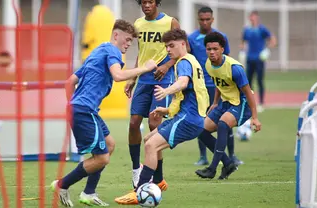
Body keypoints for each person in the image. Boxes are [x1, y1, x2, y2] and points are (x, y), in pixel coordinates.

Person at [50, 19, 157, 207]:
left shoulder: (98, 51)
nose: (128, 44)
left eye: (131, 41)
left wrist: (71, 106)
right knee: (102, 157)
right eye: (127, 39)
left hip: (83, 109)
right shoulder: (112, 51)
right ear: (116, 35)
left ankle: (89, 193)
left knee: (109, 144)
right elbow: (117, 76)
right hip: (84, 110)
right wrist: (145, 68)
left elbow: (70, 82)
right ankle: (62, 184)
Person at [115, 28, 209, 205]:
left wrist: (166, 90)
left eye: (171, 46)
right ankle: (158, 180)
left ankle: (139, 191)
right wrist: (165, 111)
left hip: (189, 119)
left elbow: (183, 83)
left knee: (151, 145)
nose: (168, 50)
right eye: (166, 47)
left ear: (183, 44)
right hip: (187, 116)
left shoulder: (183, 62)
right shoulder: (191, 60)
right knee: (149, 138)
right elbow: (188, 95)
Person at [125, 0, 180, 190]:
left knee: (154, 123)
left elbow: (182, 50)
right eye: (144, 2)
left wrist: (166, 66)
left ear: (157, 3)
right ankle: (135, 170)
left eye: (150, 1)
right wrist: (132, 77)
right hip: (143, 81)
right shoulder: (138, 24)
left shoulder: (170, 22)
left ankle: (158, 178)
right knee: (133, 123)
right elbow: (141, 54)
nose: (146, 5)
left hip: (163, 81)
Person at [195, 31, 262, 180]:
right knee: (200, 130)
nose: (211, 52)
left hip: (241, 102)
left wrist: (255, 118)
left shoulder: (235, 68)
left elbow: (249, 93)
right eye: (209, 49)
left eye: (215, 49)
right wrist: (215, 103)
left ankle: (212, 168)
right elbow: (220, 82)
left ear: (222, 49)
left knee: (223, 124)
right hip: (225, 102)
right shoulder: (208, 64)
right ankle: (228, 163)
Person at [188, 6, 243, 166]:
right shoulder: (192, 38)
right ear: (198, 20)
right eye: (202, 19)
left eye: (208, 19)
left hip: (219, 86)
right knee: (201, 121)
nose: (205, 22)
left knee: (225, 121)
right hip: (200, 86)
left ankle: (232, 155)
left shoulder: (221, 37)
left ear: (212, 19)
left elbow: (227, 60)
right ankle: (203, 156)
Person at [240, 10, 277, 113]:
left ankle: (261, 103)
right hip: (249, 59)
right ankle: (249, 102)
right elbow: (243, 42)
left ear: (258, 18)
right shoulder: (247, 30)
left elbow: (273, 39)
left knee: (260, 81)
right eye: (251, 17)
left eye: (254, 17)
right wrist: (242, 51)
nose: (253, 19)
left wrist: (267, 50)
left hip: (259, 60)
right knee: (248, 82)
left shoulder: (262, 29)